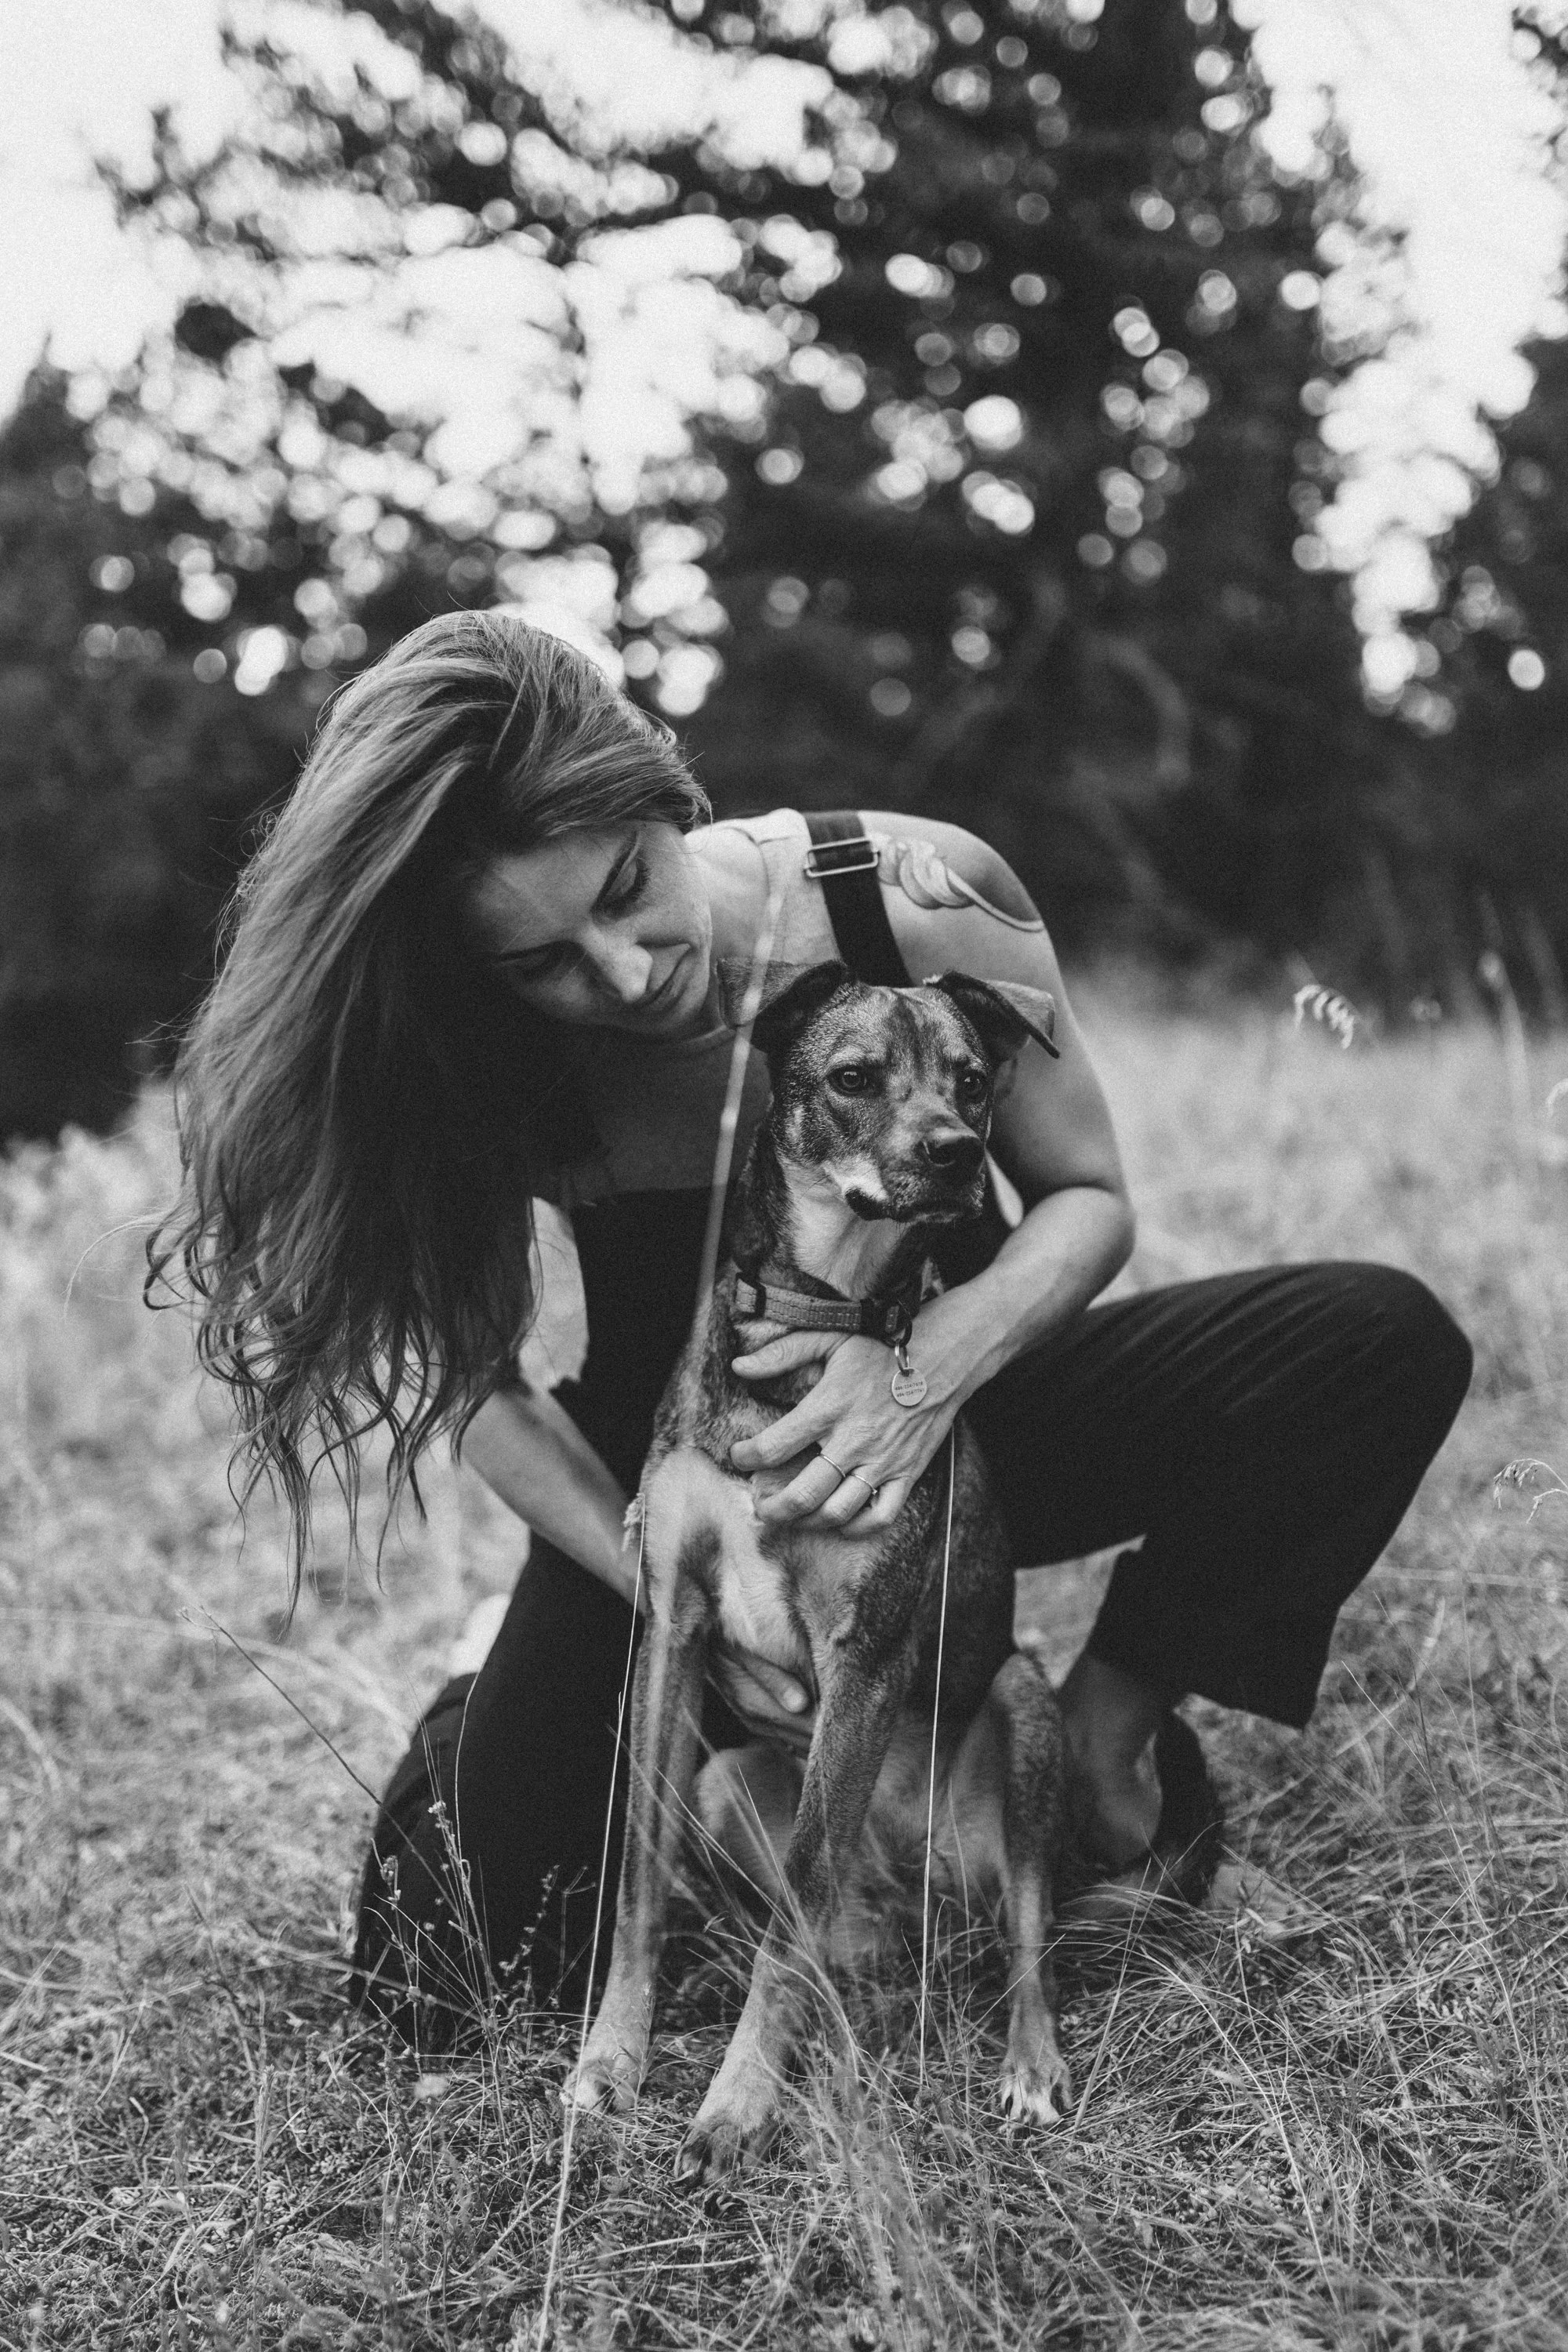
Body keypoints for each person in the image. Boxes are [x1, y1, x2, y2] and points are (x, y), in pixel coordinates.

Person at [151, 611, 1472, 2043]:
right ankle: (508, 1679)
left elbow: (1088, 1198)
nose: (623, 972)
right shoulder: (476, 1053)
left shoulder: (914, 895)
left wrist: (921, 1376)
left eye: (626, 888)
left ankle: (1101, 1732)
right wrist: (657, 1578)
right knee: (447, 1974)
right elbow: (484, 1391)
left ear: (662, 788)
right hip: (671, 1493)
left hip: (956, 1426)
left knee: (1374, 1338)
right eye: (541, 961)